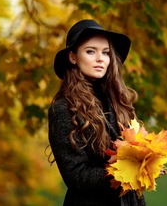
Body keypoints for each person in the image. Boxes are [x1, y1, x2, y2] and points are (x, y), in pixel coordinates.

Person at [48, 19, 146, 206]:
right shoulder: (63, 108)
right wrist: (125, 170)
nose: (100, 58)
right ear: (73, 57)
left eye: (106, 52)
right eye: (91, 51)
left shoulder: (118, 102)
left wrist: (146, 163)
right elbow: (76, 176)